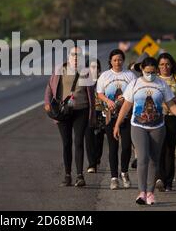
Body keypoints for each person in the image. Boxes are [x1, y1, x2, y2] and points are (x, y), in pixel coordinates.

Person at [113, 57, 176, 205]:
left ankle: (150, 193)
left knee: (154, 160)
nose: (150, 75)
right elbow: (126, 106)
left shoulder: (162, 84)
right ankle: (142, 193)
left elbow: (171, 105)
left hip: (158, 126)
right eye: (147, 72)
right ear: (142, 70)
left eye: (153, 72)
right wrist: (117, 124)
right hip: (138, 126)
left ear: (156, 71)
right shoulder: (135, 83)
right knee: (143, 158)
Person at [44, 46, 96, 187]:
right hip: (63, 111)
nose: (76, 57)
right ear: (69, 56)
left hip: (81, 110)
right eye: (73, 54)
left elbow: (91, 94)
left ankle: (80, 175)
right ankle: (67, 175)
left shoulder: (86, 73)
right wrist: (47, 103)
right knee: (66, 143)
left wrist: (93, 114)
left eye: (78, 55)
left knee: (79, 142)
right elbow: (50, 86)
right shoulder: (59, 70)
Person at [97, 49, 136, 189]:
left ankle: (124, 172)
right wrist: (108, 101)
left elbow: (135, 92)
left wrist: (125, 98)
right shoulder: (105, 76)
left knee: (126, 146)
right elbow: (99, 93)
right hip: (110, 116)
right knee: (113, 147)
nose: (117, 62)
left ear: (123, 60)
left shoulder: (130, 75)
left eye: (120, 60)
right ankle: (114, 177)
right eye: (114, 60)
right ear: (110, 61)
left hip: (126, 115)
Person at [155, 53, 176, 191]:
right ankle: (160, 179)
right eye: (162, 64)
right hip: (157, 118)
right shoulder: (155, 79)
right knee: (159, 148)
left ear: (172, 65)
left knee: (170, 148)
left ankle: (169, 181)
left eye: (167, 64)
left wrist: (174, 100)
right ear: (158, 66)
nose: (165, 67)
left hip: (174, 118)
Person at [85, 58, 105, 174]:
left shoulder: (103, 81)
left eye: (96, 67)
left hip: (100, 112)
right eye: (92, 67)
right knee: (89, 137)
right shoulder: (84, 82)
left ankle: (97, 158)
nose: (94, 70)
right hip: (87, 112)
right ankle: (91, 164)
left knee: (99, 137)